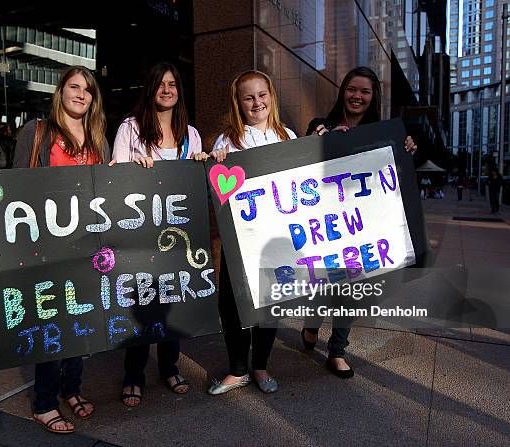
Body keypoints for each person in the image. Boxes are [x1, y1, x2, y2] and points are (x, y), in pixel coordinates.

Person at [0, 66, 110, 434]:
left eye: (87, 90)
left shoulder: (98, 138)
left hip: (85, 248)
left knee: (81, 320)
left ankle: (71, 389)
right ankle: (44, 403)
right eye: (74, 87)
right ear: (61, 92)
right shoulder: (38, 131)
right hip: (44, 247)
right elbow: (11, 183)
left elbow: (108, 189)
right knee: (53, 323)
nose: (80, 94)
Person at [303, 66, 417, 379]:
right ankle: (311, 324)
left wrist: (405, 151)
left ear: (373, 97)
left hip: (363, 226)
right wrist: (315, 143)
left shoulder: (383, 132)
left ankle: (337, 351)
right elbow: (299, 170)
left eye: (365, 91)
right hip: (325, 225)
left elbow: (396, 179)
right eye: (353, 89)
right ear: (343, 91)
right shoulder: (320, 125)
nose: (358, 96)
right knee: (320, 283)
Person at [113, 62, 206, 407]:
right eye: (160, 84)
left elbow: (198, 185)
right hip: (141, 234)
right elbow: (115, 180)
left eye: (172, 84)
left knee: (172, 301)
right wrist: (132, 171)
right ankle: (133, 375)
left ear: (179, 91)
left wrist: (201, 162)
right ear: (150, 89)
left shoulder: (191, 135)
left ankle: (169, 366)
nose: (167, 89)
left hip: (178, 234)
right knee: (140, 304)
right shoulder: (130, 129)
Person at [205, 70, 297, 395]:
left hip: (276, 239)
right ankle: (237, 369)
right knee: (232, 304)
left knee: (269, 304)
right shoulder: (229, 140)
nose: (256, 102)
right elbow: (217, 186)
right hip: (239, 238)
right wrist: (215, 163)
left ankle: (260, 366)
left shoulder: (287, 136)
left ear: (271, 96)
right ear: (239, 103)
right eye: (248, 97)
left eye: (262, 94)